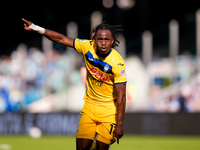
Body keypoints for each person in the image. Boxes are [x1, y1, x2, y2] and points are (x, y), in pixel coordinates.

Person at [22, 18, 127, 150]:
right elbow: (61, 39)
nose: (103, 43)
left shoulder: (117, 63)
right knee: (81, 147)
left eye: (107, 40)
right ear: (94, 39)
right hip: (90, 107)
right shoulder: (87, 46)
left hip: (109, 111)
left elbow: (121, 96)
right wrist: (38, 28)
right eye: (100, 39)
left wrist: (120, 124)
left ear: (112, 41)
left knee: (102, 147)